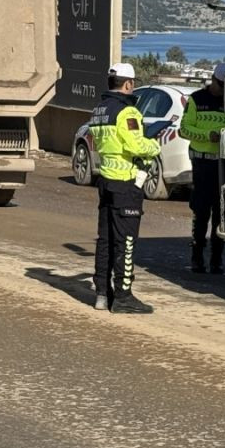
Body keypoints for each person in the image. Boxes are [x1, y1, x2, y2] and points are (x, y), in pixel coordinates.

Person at [89, 62, 161, 313]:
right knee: (126, 241)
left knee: (105, 240)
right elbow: (136, 145)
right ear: (129, 84)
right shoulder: (127, 112)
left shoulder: (99, 110)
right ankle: (123, 296)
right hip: (127, 183)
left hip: (106, 180)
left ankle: (101, 293)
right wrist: (154, 146)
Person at [179, 63, 225, 273]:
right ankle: (197, 257)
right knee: (201, 213)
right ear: (213, 80)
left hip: (224, 164)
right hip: (202, 165)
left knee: (221, 214)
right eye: (221, 84)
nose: (223, 89)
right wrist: (207, 136)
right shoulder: (196, 99)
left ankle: (217, 260)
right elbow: (184, 129)